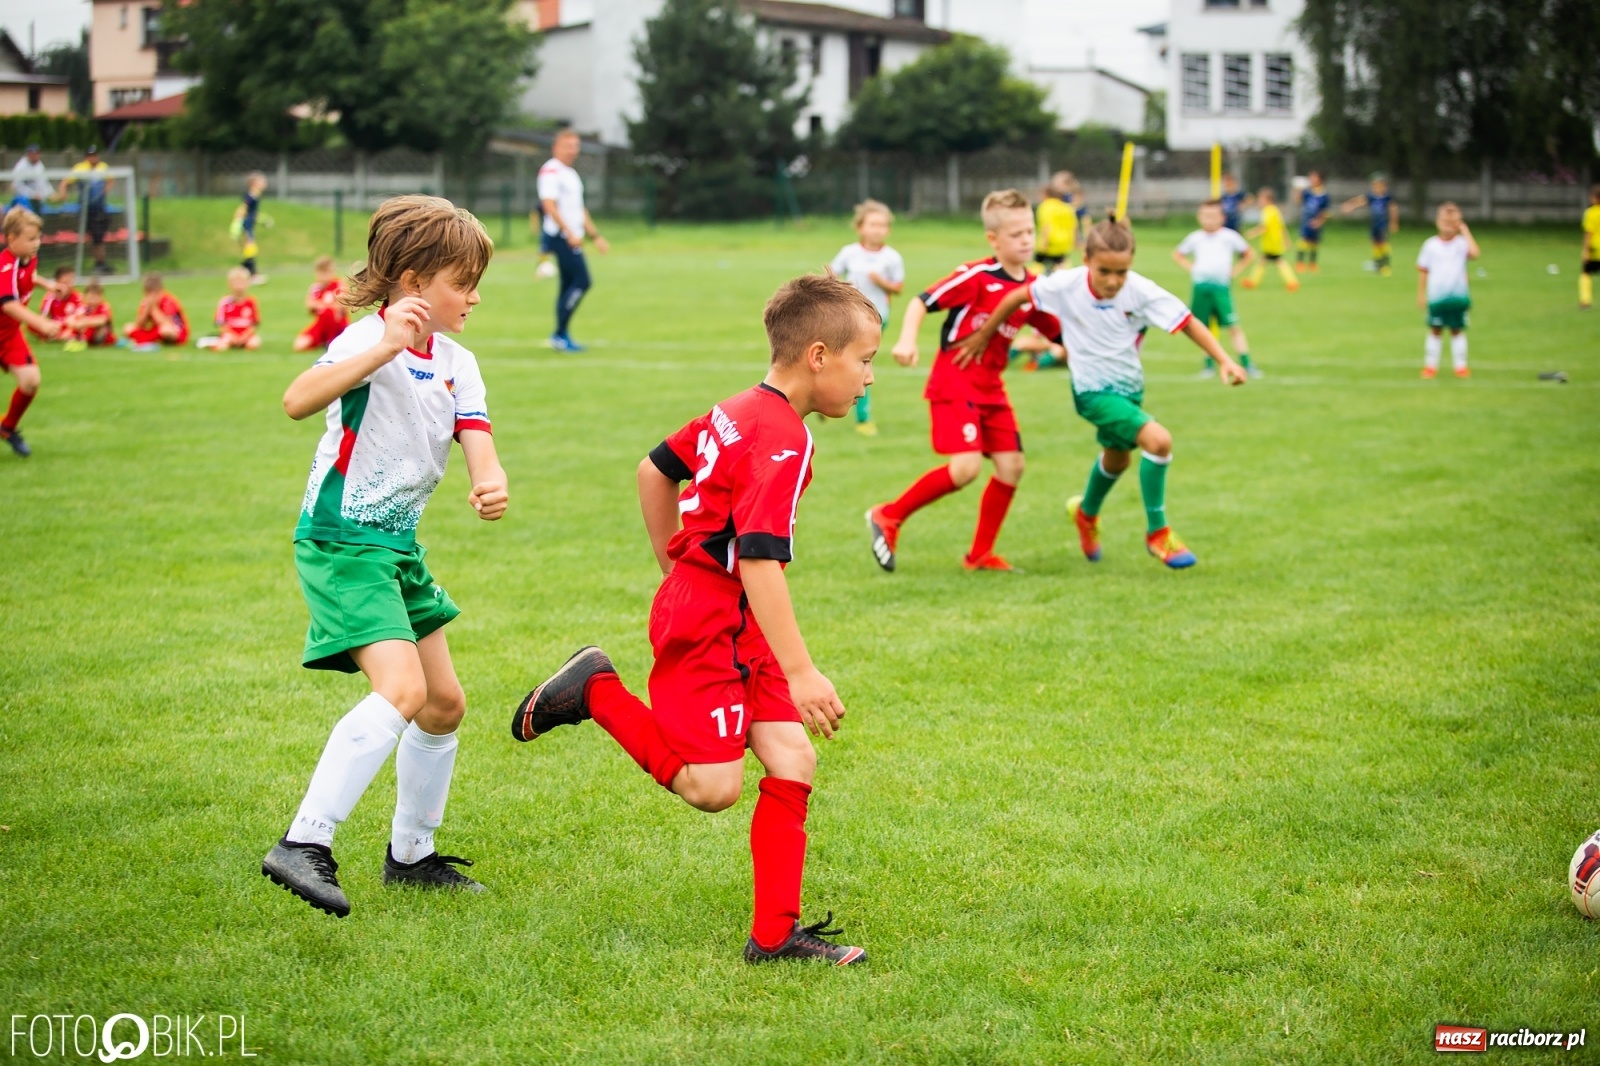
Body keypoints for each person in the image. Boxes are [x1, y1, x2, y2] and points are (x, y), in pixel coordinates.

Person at [510, 273, 875, 966]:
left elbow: (654, 470)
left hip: (726, 608)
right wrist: (801, 671)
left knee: (793, 757)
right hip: (710, 618)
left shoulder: (740, 407)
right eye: (865, 360)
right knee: (712, 788)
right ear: (819, 356)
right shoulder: (782, 438)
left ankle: (775, 937)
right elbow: (759, 561)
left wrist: (672, 565)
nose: (869, 378)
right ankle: (595, 689)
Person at [261, 195, 509, 918]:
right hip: (344, 541)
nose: (473, 297)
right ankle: (303, 842)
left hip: (396, 546)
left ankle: (411, 857)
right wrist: (381, 350)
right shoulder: (365, 340)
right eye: (462, 283)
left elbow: (477, 438)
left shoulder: (458, 362)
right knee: (402, 690)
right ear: (413, 283)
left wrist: (489, 481)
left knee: (443, 704)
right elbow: (297, 400)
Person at [957, 220, 1247, 570]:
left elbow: (1187, 322)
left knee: (1117, 460)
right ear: (1086, 260)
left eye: (1121, 272)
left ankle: (1086, 512)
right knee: (1158, 441)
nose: (1112, 281)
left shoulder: (1141, 291)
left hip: (1129, 390)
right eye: (1104, 271)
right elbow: (1017, 296)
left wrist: (1224, 360)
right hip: (1091, 392)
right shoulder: (1066, 284)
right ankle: (1158, 532)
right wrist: (985, 334)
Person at [865, 189, 1063, 574]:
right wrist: (906, 340)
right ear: (993, 239)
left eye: (1030, 231)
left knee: (1012, 466)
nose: (1026, 240)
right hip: (955, 381)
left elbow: (1059, 332)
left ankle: (979, 555)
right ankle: (888, 515)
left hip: (992, 389)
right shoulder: (977, 276)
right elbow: (921, 300)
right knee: (966, 468)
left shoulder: (1034, 288)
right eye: (1016, 234)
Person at [829, 198, 904, 436]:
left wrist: (882, 282)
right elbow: (830, 277)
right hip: (849, 316)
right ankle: (829, 400)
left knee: (860, 364)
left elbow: (898, 287)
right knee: (845, 361)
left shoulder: (892, 257)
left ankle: (862, 418)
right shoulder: (849, 252)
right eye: (873, 224)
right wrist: (842, 288)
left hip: (876, 319)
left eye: (882, 225)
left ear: (888, 230)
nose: (877, 230)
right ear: (860, 227)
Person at [537, 129, 608, 352]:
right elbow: (549, 206)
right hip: (561, 238)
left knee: (568, 285)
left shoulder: (571, 173)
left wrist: (595, 236)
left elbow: (579, 209)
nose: (572, 150)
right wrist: (569, 233)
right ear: (555, 147)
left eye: (575, 146)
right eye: (567, 146)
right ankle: (559, 333)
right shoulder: (551, 171)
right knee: (582, 281)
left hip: (572, 237)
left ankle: (561, 334)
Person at [1174, 200, 1257, 378]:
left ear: (1222, 218)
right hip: (1200, 287)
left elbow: (1249, 254)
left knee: (1233, 326)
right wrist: (1192, 268)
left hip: (1221, 288)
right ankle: (1208, 365)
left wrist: (1235, 271)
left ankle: (1247, 363)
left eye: (1213, 216)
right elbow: (1178, 254)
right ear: (1199, 217)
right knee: (1202, 328)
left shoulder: (1229, 236)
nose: (1209, 220)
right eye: (1206, 216)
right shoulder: (1195, 238)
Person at [0, 206, 58, 457]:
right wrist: (41, 323)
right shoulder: (4, 265)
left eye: (38, 238)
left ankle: (7, 428)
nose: (37, 244)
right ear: (11, 239)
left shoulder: (28, 257)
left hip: (8, 336)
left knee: (31, 380)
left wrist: (47, 284)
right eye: (31, 239)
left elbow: (27, 275)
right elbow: (9, 304)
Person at [1416, 202, 1480, 379]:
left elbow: (1475, 253)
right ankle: (1430, 366)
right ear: (1438, 222)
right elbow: (1423, 271)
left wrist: (1465, 231)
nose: (1448, 226)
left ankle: (1461, 366)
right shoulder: (1430, 245)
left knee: (1456, 329)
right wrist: (1421, 294)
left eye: (1453, 223)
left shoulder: (1461, 244)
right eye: (1445, 222)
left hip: (1458, 296)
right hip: (1437, 296)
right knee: (1435, 329)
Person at [57, 146, 113, 276]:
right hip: (86, 209)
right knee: (95, 237)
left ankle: (100, 263)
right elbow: (65, 182)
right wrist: (63, 194)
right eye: (90, 155)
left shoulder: (103, 167)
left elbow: (111, 180)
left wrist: (104, 192)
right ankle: (98, 263)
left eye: (95, 155)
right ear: (86, 157)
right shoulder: (80, 168)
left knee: (99, 237)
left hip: (100, 208)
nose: (93, 158)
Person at [1240, 187, 1299, 292]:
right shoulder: (1275, 210)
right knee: (1265, 261)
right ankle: (1253, 281)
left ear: (1267, 200)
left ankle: (1292, 282)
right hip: (1273, 242)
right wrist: (1286, 239)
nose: (1259, 202)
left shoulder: (1268, 211)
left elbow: (1264, 227)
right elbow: (1281, 226)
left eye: (1260, 199)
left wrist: (1252, 233)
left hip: (1271, 242)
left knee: (1277, 262)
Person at [1340, 174, 1399, 275]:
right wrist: (1350, 205)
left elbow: (1394, 209)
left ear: (1384, 185)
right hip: (1374, 225)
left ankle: (1385, 265)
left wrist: (1394, 223)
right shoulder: (1372, 196)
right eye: (1374, 185)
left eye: (1378, 185)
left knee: (1383, 243)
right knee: (1375, 243)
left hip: (1383, 225)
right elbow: (1360, 201)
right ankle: (1377, 264)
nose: (1376, 187)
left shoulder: (1387, 197)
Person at [294, 256, 350, 352]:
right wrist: (326, 305)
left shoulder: (339, 285)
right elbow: (309, 305)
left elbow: (342, 306)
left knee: (329, 312)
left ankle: (331, 340)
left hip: (337, 326)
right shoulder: (315, 287)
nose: (323, 276)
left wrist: (322, 305)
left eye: (327, 272)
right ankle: (324, 341)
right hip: (321, 325)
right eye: (321, 273)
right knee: (299, 345)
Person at [199, 266, 262, 350]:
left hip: (247, 335)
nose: (239, 286)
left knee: (253, 344)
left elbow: (254, 324)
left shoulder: (251, 302)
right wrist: (233, 336)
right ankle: (213, 341)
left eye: (242, 282)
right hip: (229, 334)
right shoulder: (224, 302)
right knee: (221, 347)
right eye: (236, 282)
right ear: (229, 284)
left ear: (248, 283)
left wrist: (244, 336)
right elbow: (221, 324)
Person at [122, 272, 188, 350]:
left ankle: (147, 340)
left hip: (175, 331)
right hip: (156, 330)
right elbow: (139, 324)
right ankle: (148, 340)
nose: (152, 297)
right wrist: (147, 309)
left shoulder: (168, 301)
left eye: (155, 293)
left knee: (165, 330)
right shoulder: (145, 302)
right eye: (148, 293)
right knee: (128, 328)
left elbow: (167, 323)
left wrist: (153, 308)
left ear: (160, 291)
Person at [1035, 171, 1085, 273]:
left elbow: (1046, 226)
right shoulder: (1068, 208)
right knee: (1061, 265)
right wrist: (1076, 242)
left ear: (1046, 195)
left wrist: (1043, 244)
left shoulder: (1045, 207)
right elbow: (1073, 226)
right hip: (1063, 245)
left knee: (1039, 267)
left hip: (1049, 245)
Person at [232, 172, 269, 283]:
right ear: (254, 183)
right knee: (250, 250)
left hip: (249, 226)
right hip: (246, 226)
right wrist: (237, 223)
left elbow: (252, 213)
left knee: (250, 251)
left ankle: (243, 274)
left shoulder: (256, 196)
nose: (264, 183)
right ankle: (252, 275)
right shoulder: (251, 196)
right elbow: (243, 208)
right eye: (262, 181)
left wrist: (263, 220)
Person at [1294, 170, 1331, 273]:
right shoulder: (1307, 192)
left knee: (1314, 243)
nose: (1312, 180)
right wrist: (1297, 190)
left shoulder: (1324, 195)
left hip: (1317, 222)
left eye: (1314, 177)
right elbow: (1297, 200)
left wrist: (1319, 222)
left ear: (1320, 180)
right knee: (1303, 241)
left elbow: (1326, 211)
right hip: (1306, 221)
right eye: (1311, 177)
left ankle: (1312, 264)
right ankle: (1300, 263)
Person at [62, 280, 115, 350]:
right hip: (85, 333)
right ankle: (75, 339)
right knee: (73, 329)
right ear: (86, 296)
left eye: (95, 297)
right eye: (91, 297)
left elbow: (103, 319)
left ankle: (82, 341)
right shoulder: (83, 308)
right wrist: (75, 324)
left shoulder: (103, 307)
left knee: (97, 326)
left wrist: (84, 322)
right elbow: (71, 319)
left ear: (101, 296)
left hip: (101, 336)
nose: (92, 300)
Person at [37, 266, 82, 340]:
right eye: (65, 283)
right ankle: (56, 336)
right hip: (55, 326)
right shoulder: (50, 296)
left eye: (71, 282)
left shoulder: (77, 297)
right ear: (57, 282)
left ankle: (57, 336)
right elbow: (43, 315)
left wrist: (70, 329)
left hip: (70, 326)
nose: (69, 285)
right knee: (34, 323)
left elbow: (80, 316)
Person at [9, 145, 51, 214]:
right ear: (28, 154)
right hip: (23, 201)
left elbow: (43, 182)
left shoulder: (39, 165)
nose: (35, 156)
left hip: (37, 200)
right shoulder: (21, 167)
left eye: (37, 153)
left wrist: (49, 193)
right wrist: (32, 195)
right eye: (32, 154)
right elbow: (17, 186)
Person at [1580, 184, 1600, 311]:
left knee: (1586, 274)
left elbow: (1589, 233)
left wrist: (1585, 251)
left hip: (1595, 249)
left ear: (1595, 198)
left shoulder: (1591, 213)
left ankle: (1585, 300)